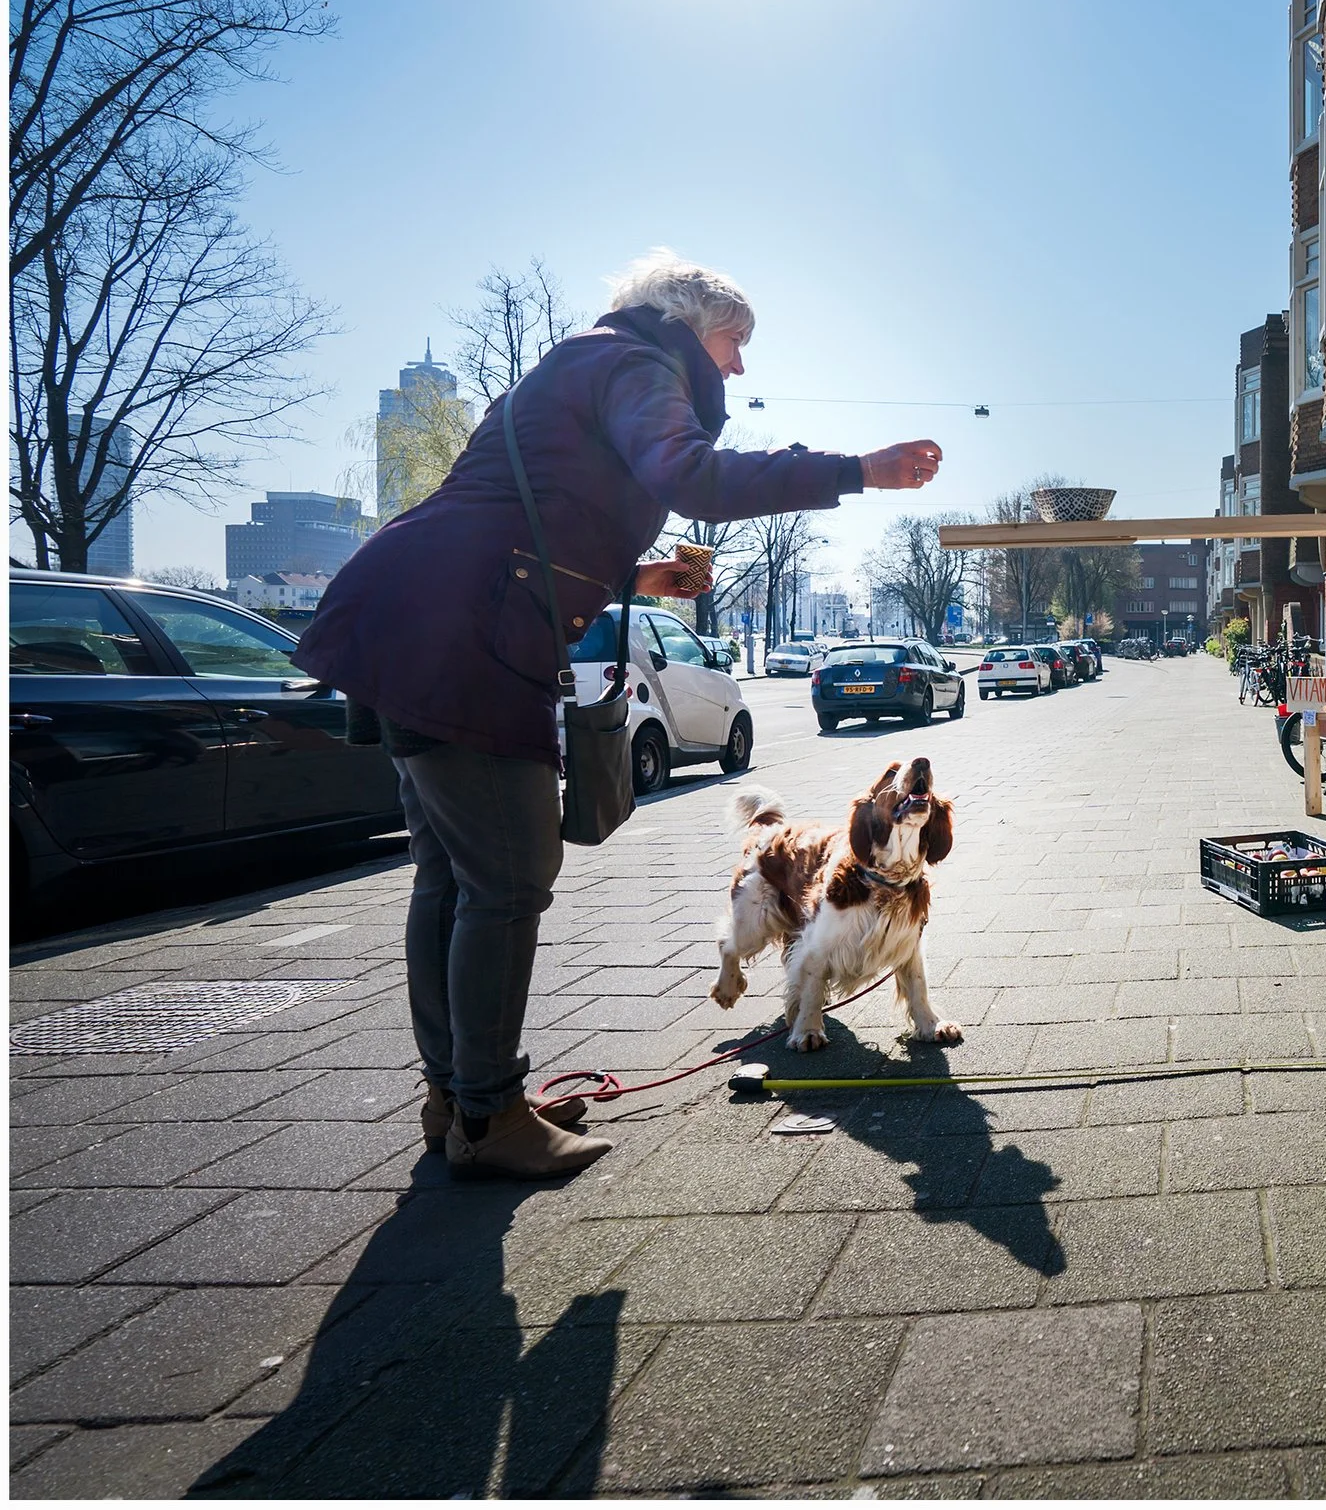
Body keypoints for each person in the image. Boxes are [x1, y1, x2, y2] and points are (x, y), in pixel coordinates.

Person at [291, 252, 944, 1178]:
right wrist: (857, 470)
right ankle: (489, 1115)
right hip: (462, 637)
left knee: (448, 878)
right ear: (689, 322)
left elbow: (527, 516)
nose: (738, 367)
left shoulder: (581, 364)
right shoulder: (640, 363)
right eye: (735, 343)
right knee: (509, 879)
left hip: (408, 617)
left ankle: (457, 1097)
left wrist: (633, 580)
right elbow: (693, 478)